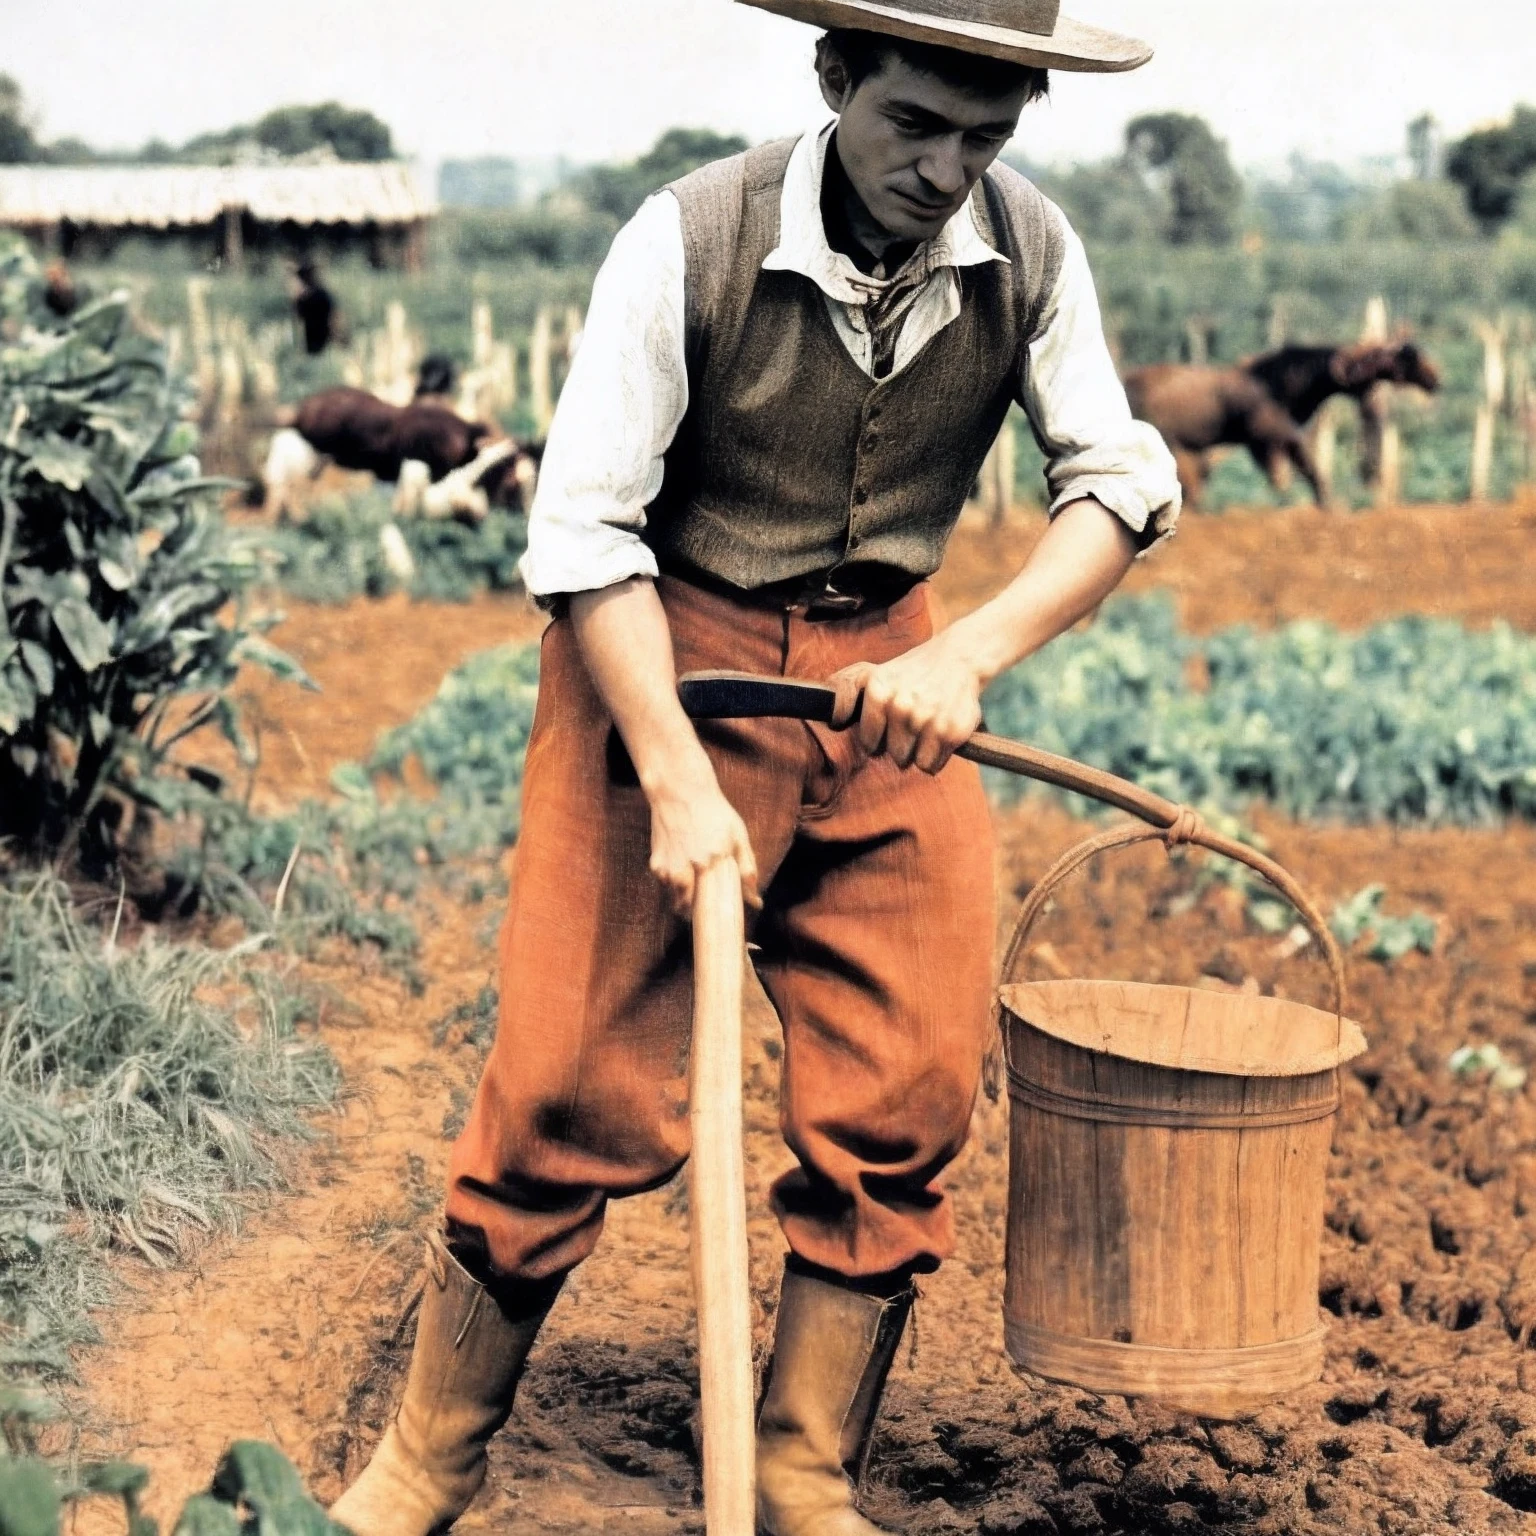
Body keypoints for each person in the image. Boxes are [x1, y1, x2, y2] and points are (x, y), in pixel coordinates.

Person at [331, 3, 1179, 1533]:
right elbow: (585, 535)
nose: (947, 167)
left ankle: (799, 1473)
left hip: (891, 686)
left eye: (988, 135)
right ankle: (425, 1462)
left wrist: (961, 659)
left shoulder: (1032, 252)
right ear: (838, 77)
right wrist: (672, 773)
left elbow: (1117, 480)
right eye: (917, 121)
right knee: (566, 1081)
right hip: (663, 653)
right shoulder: (689, 239)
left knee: (909, 1081)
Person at [290, 259, 336, 355]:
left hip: (315, 341)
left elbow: (297, 318)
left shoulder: (304, 298)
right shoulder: (322, 294)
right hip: (321, 341)